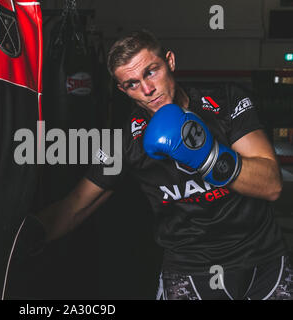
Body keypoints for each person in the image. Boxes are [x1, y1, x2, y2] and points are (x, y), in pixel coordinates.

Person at [18, 29, 292, 300]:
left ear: (170, 61)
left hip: (266, 262)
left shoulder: (226, 101)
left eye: (151, 72)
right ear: (122, 90)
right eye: (132, 84)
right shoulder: (127, 140)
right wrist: (15, 240)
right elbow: (77, 205)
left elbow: (270, 185)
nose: (148, 90)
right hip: (191, 273)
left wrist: (206, 155)